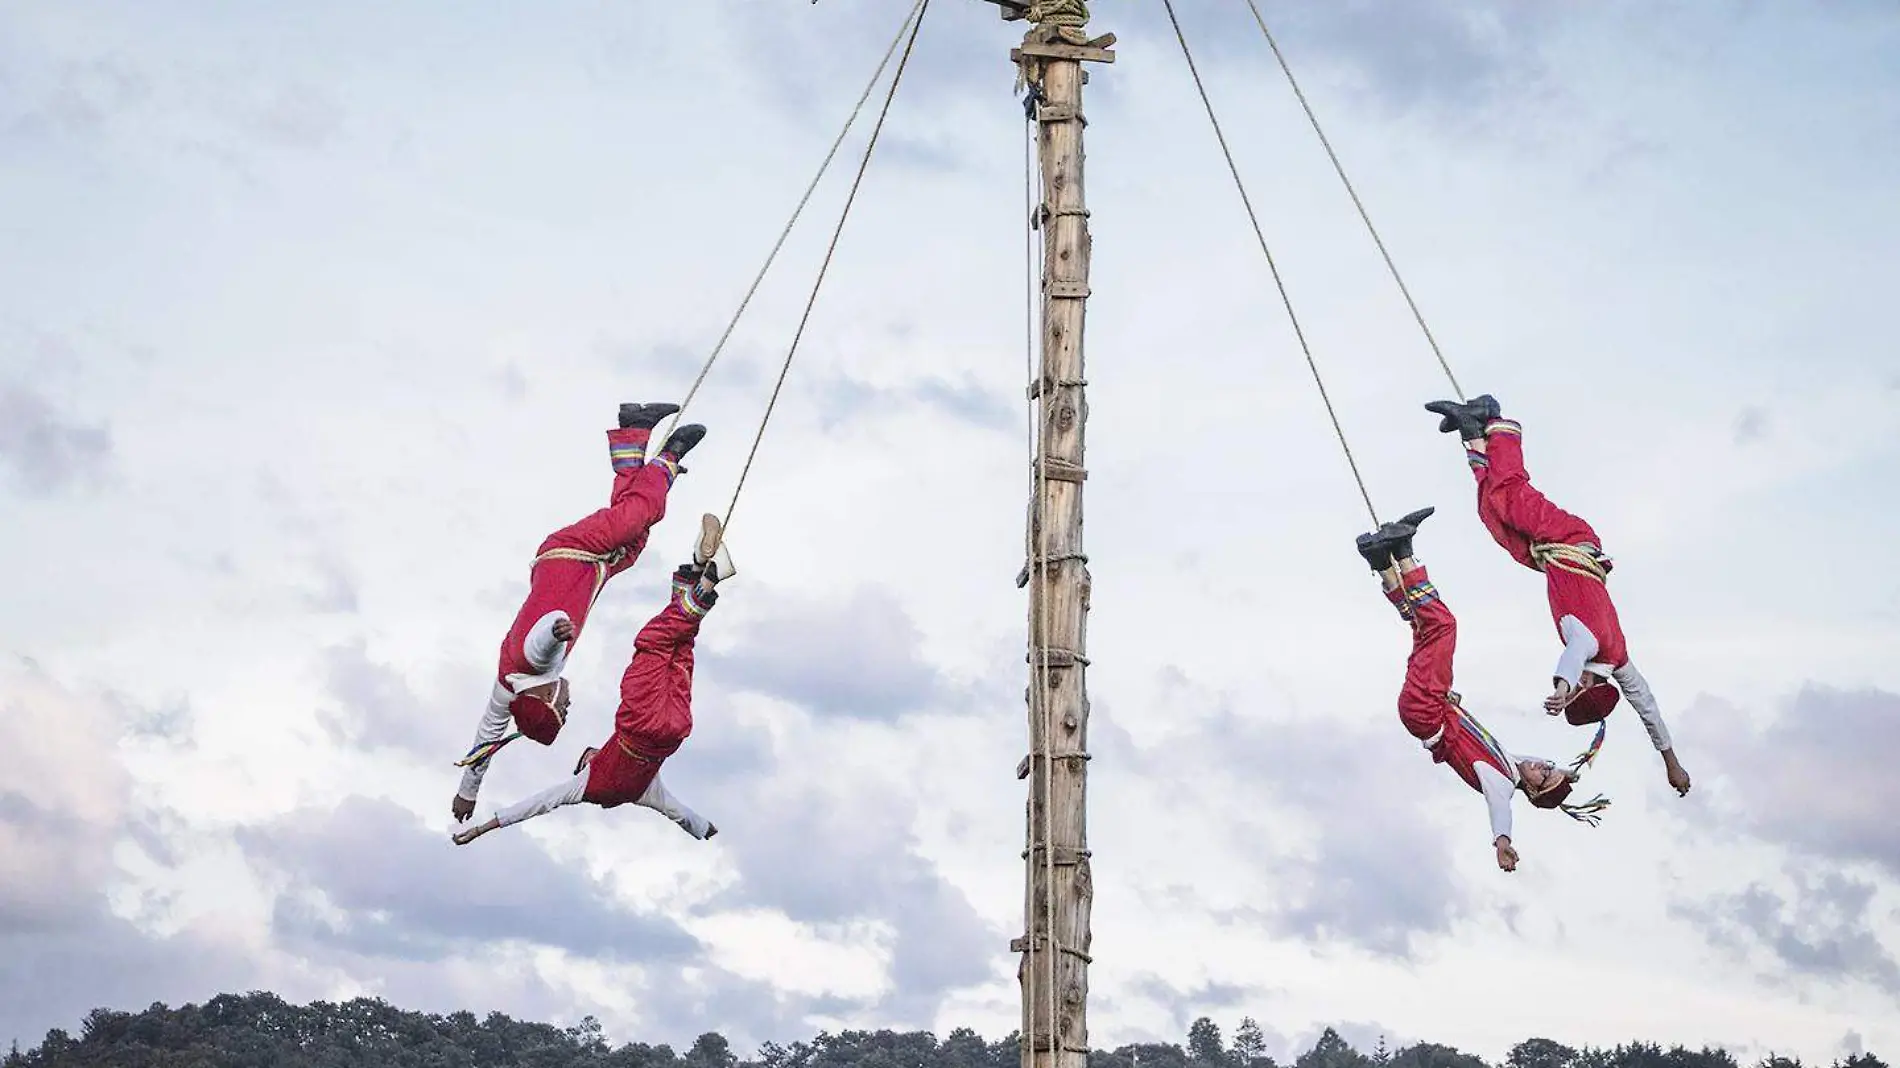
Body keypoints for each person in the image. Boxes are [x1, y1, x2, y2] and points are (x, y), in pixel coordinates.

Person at [1423, 394, 1691, 798]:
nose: (1581, 678)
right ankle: (1496, 420)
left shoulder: (1619, 663)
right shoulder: (1593, 647)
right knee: (1511, 497)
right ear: (1586, 684)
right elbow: (1572, 656)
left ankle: (1473, 435)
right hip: (1570, 540)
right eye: (1582, 684)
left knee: (1495, 519)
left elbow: (1647, 707)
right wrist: (1562, 689)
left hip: (1548, 556)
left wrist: (1671, 761)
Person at [449, 403, 707, 823]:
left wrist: (556, 630)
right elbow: (486, 739)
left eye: (562, 710)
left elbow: (541, 639)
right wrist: (468, 793)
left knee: (641, 514)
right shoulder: (506, 691)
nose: (569, 705)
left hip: (574, 554)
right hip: (586, 568)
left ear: (545, 698)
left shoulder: (538, 663)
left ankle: (670, 457)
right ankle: (634, 432)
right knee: (634, 537)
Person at [452, 517, 736, 845]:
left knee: (680, 647)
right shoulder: (587, 785)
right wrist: (480, 828)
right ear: (584, 768)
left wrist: (703, 829)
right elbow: (538, 803)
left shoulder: (644, 791)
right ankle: (709, 577)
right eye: (587, 757)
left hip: (676, 728)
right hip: (638, 724)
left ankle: (697, 567)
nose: (592, 752)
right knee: (652, 641)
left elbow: (679, 812)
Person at [1357, 506, 1610, 873]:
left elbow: (1500, 813)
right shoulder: (1509, 760)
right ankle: (1382, 560)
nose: (1541, 765)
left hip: (1426, 711)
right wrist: (1567, 774)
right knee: (1423, 628)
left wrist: (1503, 844)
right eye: (1548, 765)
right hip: (1430, 707)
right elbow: (1539, 764)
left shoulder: (1501, 783)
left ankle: (1405, 552)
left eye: (1543, 774)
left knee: (1443, 627)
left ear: (1534, 790)